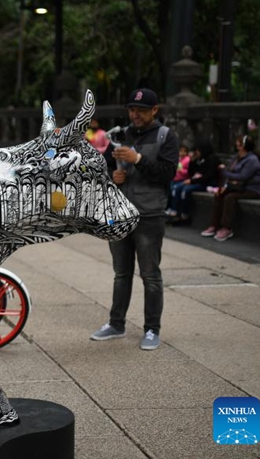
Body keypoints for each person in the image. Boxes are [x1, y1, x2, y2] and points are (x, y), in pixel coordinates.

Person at [90, 88, 179, 351]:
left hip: (149, 215)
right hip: (120, 215)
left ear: (154, 110)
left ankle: (152, 329)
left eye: (141, 110)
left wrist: (137, 159)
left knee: (150, 275)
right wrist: (112, 176)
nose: (135, 114)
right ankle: (116, 324)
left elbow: (167, 173)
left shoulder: (166, 137)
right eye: (132, 109)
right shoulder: (120, 135)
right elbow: (104, 168)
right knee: (121, 273)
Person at [200, 135, 260, 241]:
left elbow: (243, 176)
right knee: (219, 195)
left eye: (238, 143)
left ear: (243, 146)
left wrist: (224, 172)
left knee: (229, 198)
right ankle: (214, 225)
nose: (236, 144)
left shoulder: (252, 160)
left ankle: (226, 228)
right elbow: (231, 172)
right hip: (239, 187)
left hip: (253, 189)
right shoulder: (236, 157)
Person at [167, 140, 220, 226]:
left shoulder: (211, 159)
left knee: (186, 190)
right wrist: (192, 162)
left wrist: (192, 181)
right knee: (177, 188)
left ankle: (185, 215)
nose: (196, 152)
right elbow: (191, 173)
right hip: (195, 180)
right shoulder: (199, 159)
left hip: (206, 183)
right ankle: (175, 211)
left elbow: (207, 176)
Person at [165, 145, 191, 216]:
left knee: (175, 192)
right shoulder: (177, 159)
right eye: (180, 151)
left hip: (182, 180)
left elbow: (188, 171)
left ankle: (175, 209)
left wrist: (181, 170)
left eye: (184, 151)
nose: (182, 153)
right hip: (174, 179)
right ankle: (169, 207)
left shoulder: (187, 160)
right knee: (170, 193)